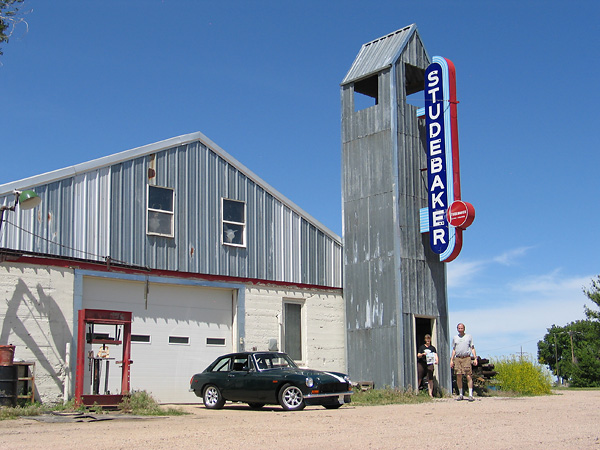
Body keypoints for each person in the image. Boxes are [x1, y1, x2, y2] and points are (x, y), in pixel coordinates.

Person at [450, 323, 477, 401]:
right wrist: (452, 360)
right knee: (458, 375)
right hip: (458, 358)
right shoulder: (455, 338)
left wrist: (475, 358)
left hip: (466, 357)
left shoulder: (468, 337)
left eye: (461, 328)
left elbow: (472, 348)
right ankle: (461, 394)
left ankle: (470, 394)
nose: (460, 330)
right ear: (457, 329)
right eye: (459, 328)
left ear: (464, 329)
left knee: (468, 375)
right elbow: (454, 349)